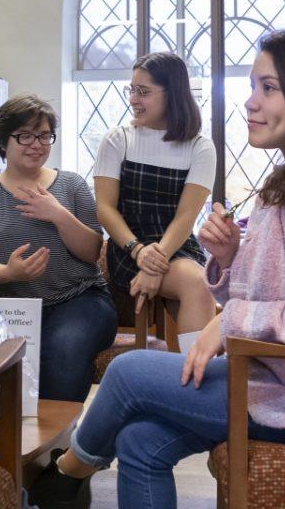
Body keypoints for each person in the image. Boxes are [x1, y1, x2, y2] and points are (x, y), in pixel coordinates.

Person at [29, 30, 285, 509]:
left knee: (127, 372)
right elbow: (275, 293)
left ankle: (63, 477)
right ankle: (64, 480)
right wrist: (230, 259)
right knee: (140, 442)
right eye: (253, 86)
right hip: (284, 381)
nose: (250, 102)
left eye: (267, 88)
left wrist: (229, 322)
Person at [0, 94, 116, 402]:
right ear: (3, 142)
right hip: (13, 306)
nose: (37, 144)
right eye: (25, 135)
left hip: (80, 300)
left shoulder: (72, 185)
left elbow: (92, 251)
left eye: (44, 135)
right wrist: (8, 272)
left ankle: (57, 444)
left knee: (63, 347)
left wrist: (57, 214)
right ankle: (3, 439)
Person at [93, 52, 216, 353]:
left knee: (198, 284)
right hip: (127, 247)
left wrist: (155, 262)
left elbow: (186, 217)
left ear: (173, 93)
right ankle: (198, 379)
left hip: (176, 245)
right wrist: (139, 252)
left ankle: (193, 377)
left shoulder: (200, 147)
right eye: (132, 90)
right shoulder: (117, 139)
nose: (134, 99)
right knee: (196, 286)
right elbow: (105, 210)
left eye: (144, 92)